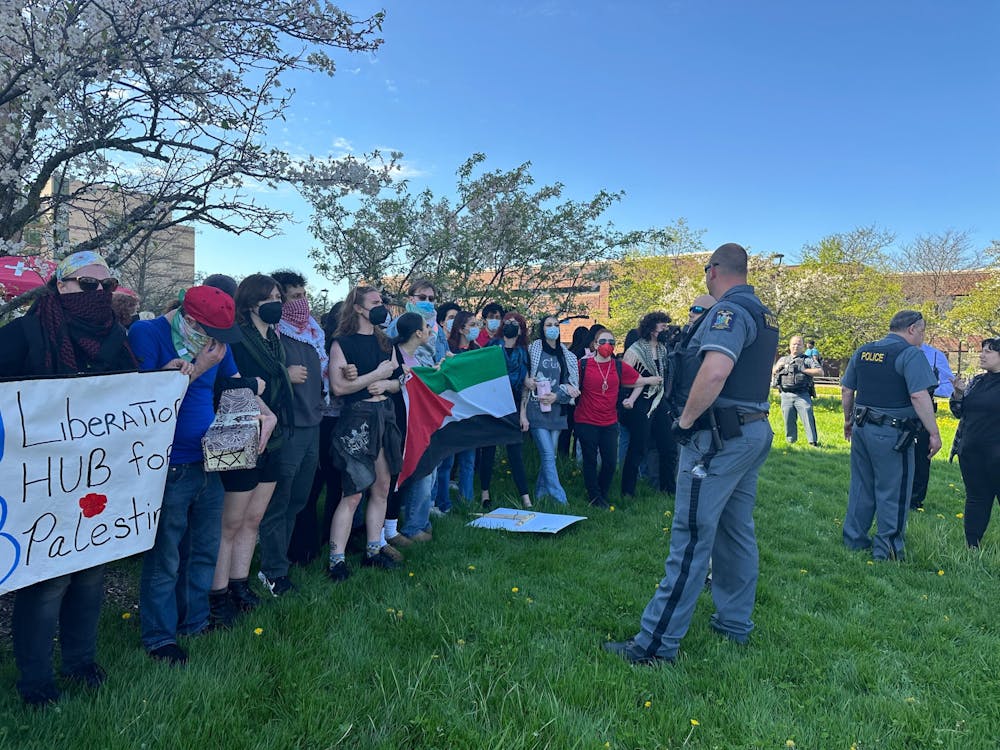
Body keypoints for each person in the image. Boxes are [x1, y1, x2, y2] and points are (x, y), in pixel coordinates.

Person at [604, 242, 778, 664]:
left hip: (717, 440)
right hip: (750, 431)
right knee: (736, 533)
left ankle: (654, 645)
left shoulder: (729, 312)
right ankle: (734, 624)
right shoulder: (762, 313)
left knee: (691, 538)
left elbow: (715, 370)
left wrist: (684, 423)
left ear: (714, 269)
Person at [0, 251, 137, 706]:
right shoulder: (22, 334)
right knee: (47, 582)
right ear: (60, 286)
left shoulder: (116, 338)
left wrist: (169, 380)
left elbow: (132, 402)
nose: (98, 294)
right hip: (39, 483)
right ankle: (35, 681)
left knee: (91, 573)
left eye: (106, 286)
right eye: (87, 285)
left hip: (97, 479)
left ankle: (81, 662)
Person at [129, 285, 265, 666]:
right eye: (213, 332)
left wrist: (258, 406)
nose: (220, 342)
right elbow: (142, 404)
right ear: (190, 321)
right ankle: (160, 637)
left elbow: (233, 385)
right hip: (167, 463)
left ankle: (196, 621)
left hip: (211, 459)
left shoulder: (218, 343)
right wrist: (196, 369)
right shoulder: (149, 334)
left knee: (203, 548)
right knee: (165, 554)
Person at [210, 274, 294, 621]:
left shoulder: (275, 340)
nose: (277, 302)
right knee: (230, 523)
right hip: (241, 434)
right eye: (269, 297)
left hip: (273, 437)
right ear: (249, 303)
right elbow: (222, 384)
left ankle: (240, 584)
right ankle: (217, 596)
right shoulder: (237, 340)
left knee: (254, 518)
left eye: (279, 295)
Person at [840, 310, 941, 561]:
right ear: (911, 329)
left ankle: (854, 540)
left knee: (862, 485)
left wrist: (847, 420)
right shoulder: (910, 355)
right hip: (892, 432)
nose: (923, 336)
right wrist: (934, 432)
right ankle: (888, 549)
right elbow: (919, 396)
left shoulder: (864, 350)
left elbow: (846, 389)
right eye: (922, 331)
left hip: (862, 427)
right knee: (893, 490)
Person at [254, 270, 326, 596]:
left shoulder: (312, 333)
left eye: (303, 296)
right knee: (278, 502)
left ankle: (280, 560)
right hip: (288, 427)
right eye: (294, 297)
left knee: (298, 500)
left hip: (313, 424)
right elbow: (256, 379)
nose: (302, 303)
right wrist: (284, 372)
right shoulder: (272, 336)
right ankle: (272, 571)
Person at [327, 286, 404, 580]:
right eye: (375, 303)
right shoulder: (341, 343)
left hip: (385, 415)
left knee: (382, 486)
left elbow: (400, 379)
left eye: (381, 302)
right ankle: (337, 560)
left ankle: (373, 550)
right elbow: (339, 387)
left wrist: (387, 385)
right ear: (358, 308)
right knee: (354, 492)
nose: (381, 306)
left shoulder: (386, 341)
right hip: (357, 420)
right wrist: (375, 377)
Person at [288, 301, 351, 565]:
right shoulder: (320, 344)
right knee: (313, 485)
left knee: (337, 483)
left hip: (341, 419)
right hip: (320, 419)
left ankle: (332, 537)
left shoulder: (343, 344)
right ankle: (306, 544)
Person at [573, 327, 657, 508]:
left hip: (609, 422)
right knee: (590, 460)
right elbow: (571, 383)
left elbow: (638, 381)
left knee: (610, 463)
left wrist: (633, 398)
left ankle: (601, 494)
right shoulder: (584, 365)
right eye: (603, 342)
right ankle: (595, 497)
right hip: (586, 420)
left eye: (611, 342)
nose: (607, 345)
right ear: (595, 345)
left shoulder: (618, 366)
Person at [949, 338, 1000, 547]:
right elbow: (958, 412)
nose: (982, 355)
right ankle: (972, 545)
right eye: (982, 351)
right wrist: (958, 393)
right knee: (977, 498)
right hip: (971, 452)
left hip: (996, 454)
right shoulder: (978, 381)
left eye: (988, 352)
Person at [524, 315, 580, 503]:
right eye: (549, 325)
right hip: (536, 408)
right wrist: (528, 381)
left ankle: (540, 494)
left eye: (556, 325)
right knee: (548, 454)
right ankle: (560, 498)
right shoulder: (532, 350)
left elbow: (572, 386)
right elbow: (525, 374)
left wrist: (557, 395)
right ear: (542, 328)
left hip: (557, 410)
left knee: (551, 455)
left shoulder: (567, 355)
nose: (553, 328)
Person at [621, 312, 678, 496]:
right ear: (652, 328)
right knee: (638, 447)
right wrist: (647, 381)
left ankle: (667, 488)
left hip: (660, 399)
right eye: (663, 326)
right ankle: (627, 491)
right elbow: (623, 380)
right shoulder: (635, 351)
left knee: (668, 446)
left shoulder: (663, 349)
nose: (666, 330)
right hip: (641, 402)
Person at [482, 312, 532, 508]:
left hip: (514, 405)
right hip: (493, 405)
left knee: (515, 453)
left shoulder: (523, 352)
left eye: (516, 323)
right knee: (488, 451)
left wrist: (523, 415)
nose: (511, 325)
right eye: (508, 322)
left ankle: (525, 497)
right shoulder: (492, 347)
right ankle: (485, 493)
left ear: (521, 329)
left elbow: (526, 386)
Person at [394, 312, 437, 541]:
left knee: (425, 472)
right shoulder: (395, 356)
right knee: (418, 473)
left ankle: (419, 521)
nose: (430, 331)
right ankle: (412, 526)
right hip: (401, 425)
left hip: (418, 425)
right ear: (418, 333)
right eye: (426, 327)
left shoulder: (416, 359)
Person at [910, 341, 955, 509]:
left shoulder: (935, 355)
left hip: (923, 411)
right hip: (897, 407)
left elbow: (948, 385)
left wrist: (925, 390)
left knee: (921, 457)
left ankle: (915, 500)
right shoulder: (893, 351)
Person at [771, 335, 823, 446]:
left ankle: (813, 442)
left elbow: (820, 372)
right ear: (789, 346)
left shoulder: (807, 360)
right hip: (785, 394)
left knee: (808, 418)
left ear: (803, 346)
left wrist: (805, 370)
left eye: (799, 344)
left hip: (802, 394)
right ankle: (791, 443)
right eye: (794, 344)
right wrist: (777, 368)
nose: (796, 346)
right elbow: (773, 372)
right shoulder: (783, 360)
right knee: (788, 420)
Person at [385, 278, 450, 364]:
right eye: (422, 297)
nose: (427, 301)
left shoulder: (437, 328)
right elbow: (387, 351)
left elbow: (445, 354)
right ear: (411, 299)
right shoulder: (399, 324)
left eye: (431, 299)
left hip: (430, 373)